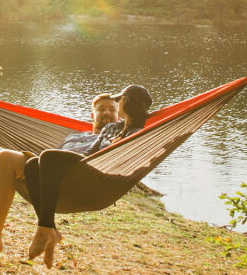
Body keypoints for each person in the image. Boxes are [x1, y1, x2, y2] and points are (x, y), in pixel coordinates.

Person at [0, 93, 120, 259]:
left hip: (76, 184)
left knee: (4, 158)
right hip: (47, 173)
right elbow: (53, 156)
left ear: (119, 117)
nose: (107, 113)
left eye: (112, 110)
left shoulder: (116, 137)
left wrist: (119, 136)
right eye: (101, 109)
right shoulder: (74, 136)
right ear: (92, 115)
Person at [24, 84, 153, 267]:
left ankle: (44, 228)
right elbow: (93, 148)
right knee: (31, 166)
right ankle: (49, 228)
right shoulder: (112, 128)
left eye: (120, 100)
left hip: (101, 176)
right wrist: (81, 158)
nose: (117, 104)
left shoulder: (137, 134)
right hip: (88, 162)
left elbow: (130, 157)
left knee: (48, 156)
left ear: (127, 103)